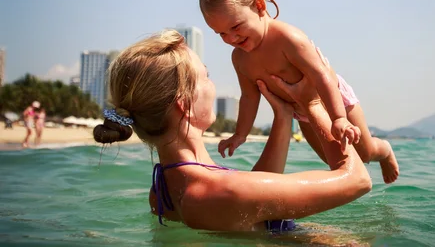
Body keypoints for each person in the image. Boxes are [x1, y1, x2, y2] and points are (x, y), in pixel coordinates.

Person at [93, 30, 372, 231]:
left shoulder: (164, 187)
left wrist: (283, 116)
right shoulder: (216, 191)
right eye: (206, 76)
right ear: (185, 104)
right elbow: (357, 180)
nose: (213, 86)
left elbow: (256, 198)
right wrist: (312, 103)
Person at [199, 0, 400, 183]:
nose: (231, 38)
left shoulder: (287, 38)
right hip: (301, 110)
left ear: (259, 6)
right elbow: (249, 96)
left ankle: (385, 150)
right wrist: (240, 134)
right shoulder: (240, 59)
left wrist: (339, 118)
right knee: (333, 161)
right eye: (221, 33)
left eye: (236, 26)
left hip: (333, 98)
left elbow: (321, 76)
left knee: (365, 153)